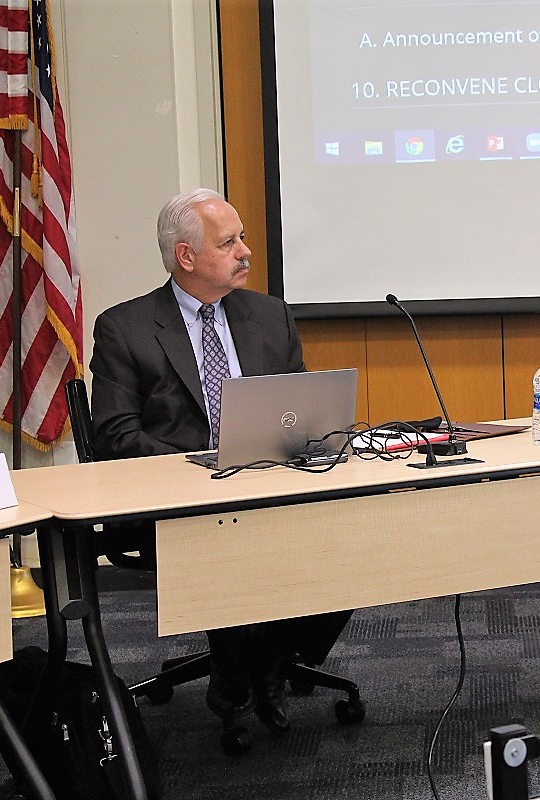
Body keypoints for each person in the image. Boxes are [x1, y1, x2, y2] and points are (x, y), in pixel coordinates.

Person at [89, 188, 351, 735]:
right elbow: (116, 435)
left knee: (350, 530)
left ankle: (273, 662)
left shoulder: (268, 316)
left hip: (267, 484)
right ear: (186, 257)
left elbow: (299, 412)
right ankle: (237, 681)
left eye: (242, 238)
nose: (246, 252)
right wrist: (205, 464)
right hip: (179, 498)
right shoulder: (126, 328)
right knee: (228, 539)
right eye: (228, 242)